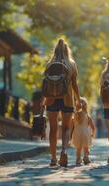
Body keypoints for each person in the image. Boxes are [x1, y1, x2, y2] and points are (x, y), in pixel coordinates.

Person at [42, 38, 81, 167]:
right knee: (65, 128)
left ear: (55, 50)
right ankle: (64, 151)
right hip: (67, 99)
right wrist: (78, 99)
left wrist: (44, 100)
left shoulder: (49, 63)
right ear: (66, 50)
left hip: (51, 99)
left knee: (53, 130)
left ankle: (53, 158)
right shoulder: (71, 64)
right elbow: (74, 84)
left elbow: (46, 83)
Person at [71, 97, 96, 165]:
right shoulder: (87, 116)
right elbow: (93, 127)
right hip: (85, 133)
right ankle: (86, 157)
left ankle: (78, 158)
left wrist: (71, 135)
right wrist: (92, 134)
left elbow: (72, 126)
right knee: (86, 147)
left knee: (78, 148)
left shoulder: (74, 115)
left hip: (76, 133)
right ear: (86, 106)